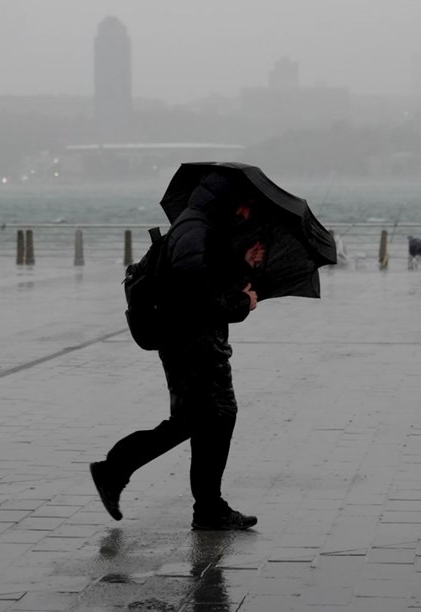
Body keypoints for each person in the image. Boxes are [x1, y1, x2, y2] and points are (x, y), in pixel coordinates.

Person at [90, 173, 266, 531]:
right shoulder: (196, 229)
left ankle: (207, 508)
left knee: (207, 420)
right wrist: (241, 302)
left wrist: (244, 265)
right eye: (246, 204)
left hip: (192, 341)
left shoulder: (200, 227)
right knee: (209, 417)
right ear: (229, 201)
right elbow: (196, 295)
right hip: (191, 343)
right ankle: (115, 470)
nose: (248, 212)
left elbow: (200, 281)